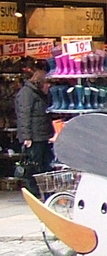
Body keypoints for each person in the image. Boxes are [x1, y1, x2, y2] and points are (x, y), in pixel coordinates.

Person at [14, 62, 54, 197]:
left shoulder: (40, 94)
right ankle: (34, 192)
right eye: (47, 84)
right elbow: (23, 115)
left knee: (44, 165)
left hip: (43, 134)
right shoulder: (26, 94)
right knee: (33, 165)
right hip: (34, 137)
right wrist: (26, 137)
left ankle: (45, 191)